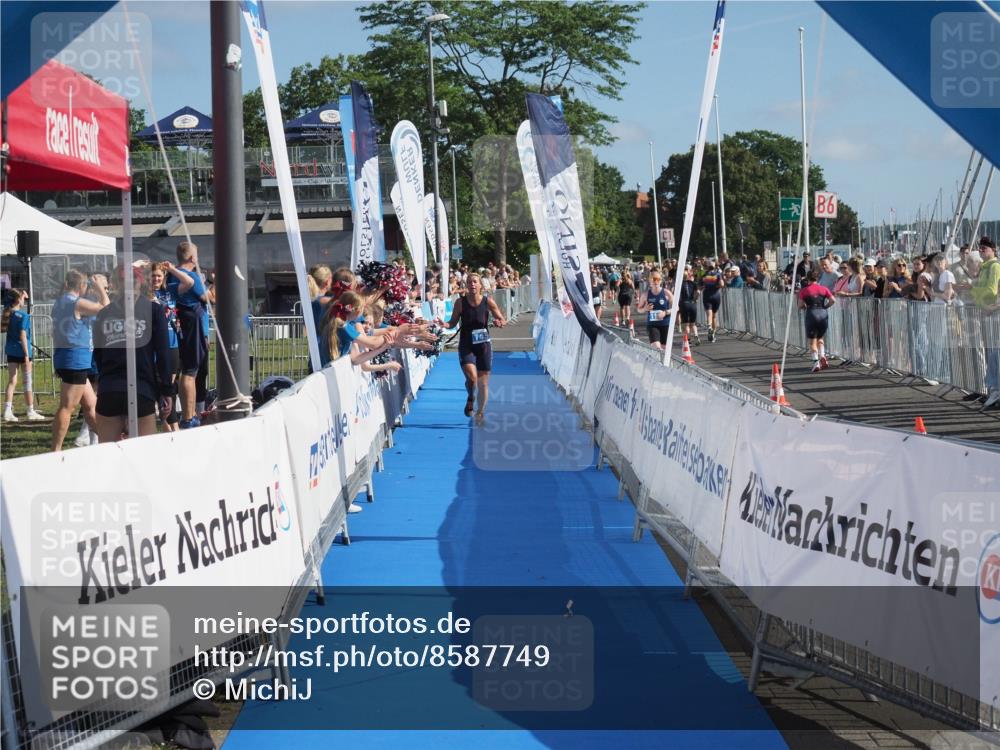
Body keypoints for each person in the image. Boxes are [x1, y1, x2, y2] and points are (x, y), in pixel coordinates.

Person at [92, 265, 175, 442]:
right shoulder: (154, 310)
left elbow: (98, 355)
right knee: (143, 455)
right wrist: (166, 390)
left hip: (111, 388)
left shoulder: (104, 314)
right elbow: (163, 354)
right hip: (140, 387)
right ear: (141, 282)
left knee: (109, 453)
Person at [51, 270, 109, 451]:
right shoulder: (77, 303)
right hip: (75, 358)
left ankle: (109, 441)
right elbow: (106, 307)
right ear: (82, 286)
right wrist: (100, 287)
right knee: (67, 407)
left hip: (66, 356)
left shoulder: (59, 302)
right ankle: (55, 450)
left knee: (91, 406)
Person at [441, 273, 506, 422]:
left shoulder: (488, 301)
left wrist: (500, 322)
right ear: (466, 286)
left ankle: (480, 413)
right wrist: (445, 325)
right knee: (472, 379)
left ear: (480, 285)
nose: (472, 285)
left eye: (475, 282)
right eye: (469, 282)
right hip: (466, 344)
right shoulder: (460, 303)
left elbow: (502, 319)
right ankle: (471, 396)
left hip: (483, 345)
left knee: (483, 383)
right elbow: (452, 323)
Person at [166, 241, 209, 429]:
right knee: (190, 372)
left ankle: (188, 415)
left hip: (184, 325)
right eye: (197, 256)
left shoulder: (172, 277)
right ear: (192, 258)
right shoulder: (190, 276)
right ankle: (188, 417)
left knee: (188, 371)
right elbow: (207, 297)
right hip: (192, 325)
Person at [3, 289, 45, 422]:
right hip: (23, 352)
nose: (24, 300)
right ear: (18, 300)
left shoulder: (8, 314)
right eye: (23, 298)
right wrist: (27, 354)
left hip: (11, 351)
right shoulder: (23, 316)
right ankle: (30, 411)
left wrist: (22, 294)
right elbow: (22, 335)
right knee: (27, 382)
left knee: (12, 381)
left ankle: (7, 410)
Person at [151, 263, 181, 432]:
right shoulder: (145, 294)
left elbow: (189, 283)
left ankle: (172, 424)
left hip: (173, 342)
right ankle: (168, 425)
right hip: (156, 344)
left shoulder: (169, 291)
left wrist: (170, 269)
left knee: (170, 385)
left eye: (159, 276)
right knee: (160, 384)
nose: (155, 279)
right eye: (153, 276)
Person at [971, 238, 1000, 409]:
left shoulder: (995, 266)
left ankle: (996, 389)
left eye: (984, 248)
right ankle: (994, 389)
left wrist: (973, 291)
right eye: (980, 248)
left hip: (994, 313)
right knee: (991, 353)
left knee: (995, 353)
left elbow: (991, 290)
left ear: (993, 250)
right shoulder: (985, 268)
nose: (981, 251)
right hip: (987, 313)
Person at [797, 270, 836, 372]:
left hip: (811, 314)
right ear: (817, 278)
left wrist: (805, 306)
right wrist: (825, 307)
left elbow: (800, 305)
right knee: (820, 337)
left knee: (812, 341)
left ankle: (816, 362)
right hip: (823, 314)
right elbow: (833, 300)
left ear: (807, 278)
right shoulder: (824, 288)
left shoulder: (804, 290)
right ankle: (822, 355)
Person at [636, 270, 673, 350]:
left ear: (661, 281)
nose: (655, 281)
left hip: (666, 325)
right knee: (657, 347)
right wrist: (645, 309)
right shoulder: (645, 295)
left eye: (658, 279)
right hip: (653, 325)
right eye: (653, 279)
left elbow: (676, 308)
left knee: (665, 349)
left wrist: (665, 312)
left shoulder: (667, 293)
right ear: (650, 281)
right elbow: (639, 309)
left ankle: (666, 363)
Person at [701, 260, 724, 342]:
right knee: (714, 315)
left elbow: (700, 285)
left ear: (707, 267)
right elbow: (722, 284)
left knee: (709, 314)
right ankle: (713, 334)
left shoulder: (704, 274)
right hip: (716, 295)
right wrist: (716, 286)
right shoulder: (718, 274)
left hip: (707, 295)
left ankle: (709, 326)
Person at [678, 266, 700, 344]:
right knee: (693, 323)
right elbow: (698, 292)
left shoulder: (679, 284)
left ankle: (689, 340)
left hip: (684, 304)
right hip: (692, 304)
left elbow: (675, 293)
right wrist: (695, 299)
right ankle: (696, 335)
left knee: (686, 324)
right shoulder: (693, 283)